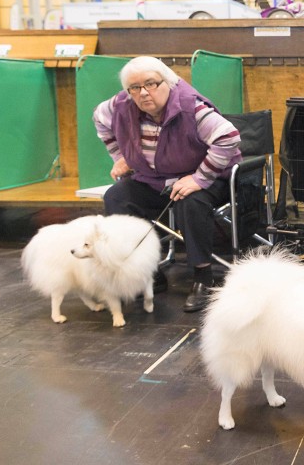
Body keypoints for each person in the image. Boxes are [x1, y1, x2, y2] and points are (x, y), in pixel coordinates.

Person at [93, 56, 241, 313]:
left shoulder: (190, 107)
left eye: (151, 84)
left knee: (189, 200)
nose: (143, 93)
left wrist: (199, 178)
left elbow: (228, 138)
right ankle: (147, 272)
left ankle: (203, 279)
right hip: (154, 178)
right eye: (135, 87)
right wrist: (120, 157)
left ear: (168, 82)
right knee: (117, 196)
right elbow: (100, 120)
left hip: (205, 176)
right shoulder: (120, 105)